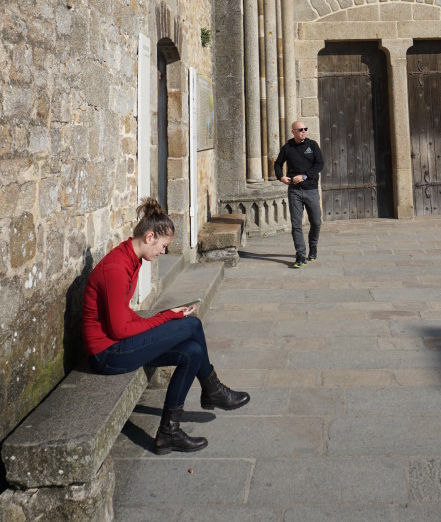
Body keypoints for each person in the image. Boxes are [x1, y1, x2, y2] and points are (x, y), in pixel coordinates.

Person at [81, 199, 250, 454]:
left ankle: (168, 433)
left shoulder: (132, 260)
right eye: (163, 246)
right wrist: (165, 317)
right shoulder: (116, 268)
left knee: (192, 352)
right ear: (149, 237)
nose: (163, 252)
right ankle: (212, 389)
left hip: (118, 344)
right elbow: (118, 331)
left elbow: (123, 316)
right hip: (107, 355)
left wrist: (162, 317)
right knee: (191, 325)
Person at [275, 120, 324, 268]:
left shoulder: (312, 145)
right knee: (296, 224)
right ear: (293, 131)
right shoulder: (287, 147)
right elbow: (277, 163)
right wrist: (281, 177)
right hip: (294, 192)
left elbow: (320, 164)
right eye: (300, 129)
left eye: (305, 128)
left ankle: (313, 246)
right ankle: (300, 254)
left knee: (316, 221)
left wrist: (304, 176)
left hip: (311, 189)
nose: (304, 131)